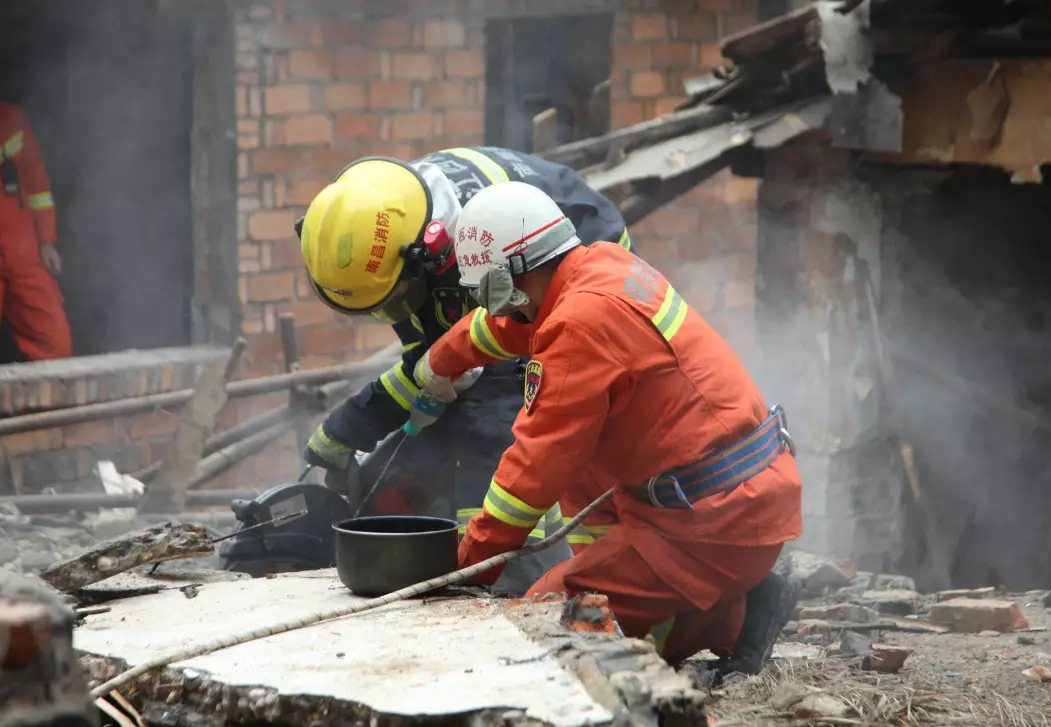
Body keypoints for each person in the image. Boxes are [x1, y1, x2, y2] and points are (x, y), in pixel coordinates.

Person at [412, 181, 802, 672]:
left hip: (713, 524)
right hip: (734, 495)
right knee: (583, 463)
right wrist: (440, 361)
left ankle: (733, 616)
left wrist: (469, 564)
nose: (497, 308)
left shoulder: (578, 325)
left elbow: (533, 470)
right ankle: (667, 588)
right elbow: (513, 327)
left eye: (491, 293)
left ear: (512, 274)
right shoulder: (599, 267)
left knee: (547, 625)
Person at [294, 147, 635, 593]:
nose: (394, 314)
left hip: (575, 261)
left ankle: (541, 581)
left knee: (535, 425)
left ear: (426, 258)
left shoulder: (473, 250)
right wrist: (348, 429)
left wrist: (481, 550)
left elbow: (490, 398)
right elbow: (434, 363)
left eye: (395, 299)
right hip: (490, 270)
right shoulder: (393, 218)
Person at [0, 45, 71, 366]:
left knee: (56, 344)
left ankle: (47, 412)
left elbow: (38, 185)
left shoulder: (12, 120)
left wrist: (47, 240)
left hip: (25, 252)